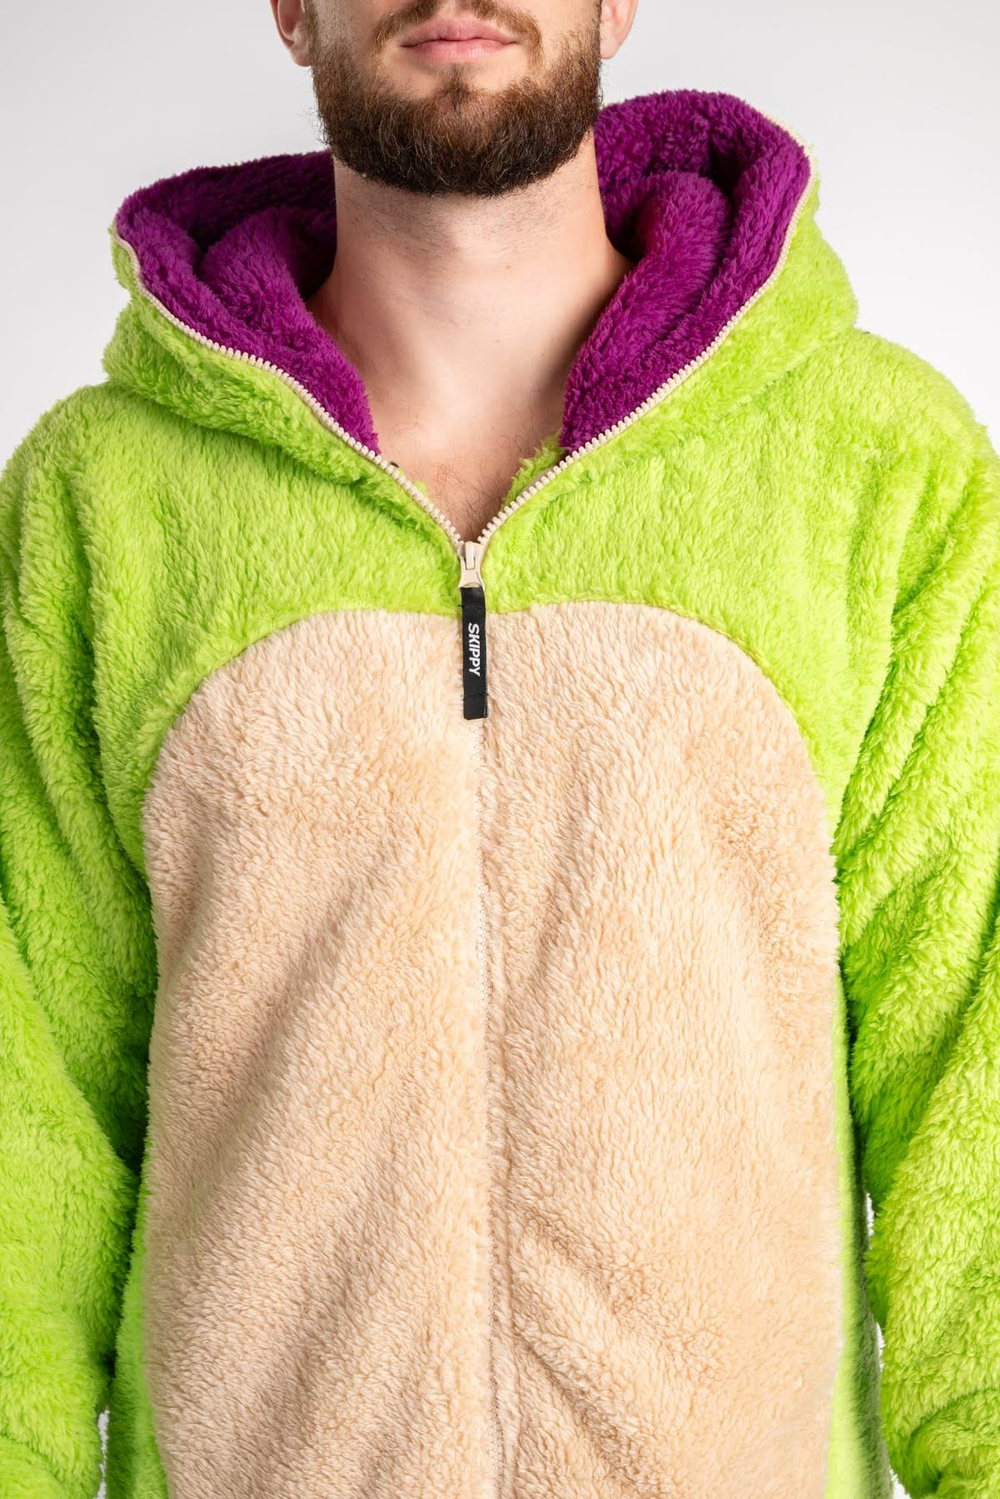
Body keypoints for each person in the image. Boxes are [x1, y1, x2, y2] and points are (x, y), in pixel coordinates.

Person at [0, 0, 997, 1494]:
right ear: (292, 8)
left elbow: (973, 1064)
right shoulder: (102, 503)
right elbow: (27, 1099)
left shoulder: (878, 468)